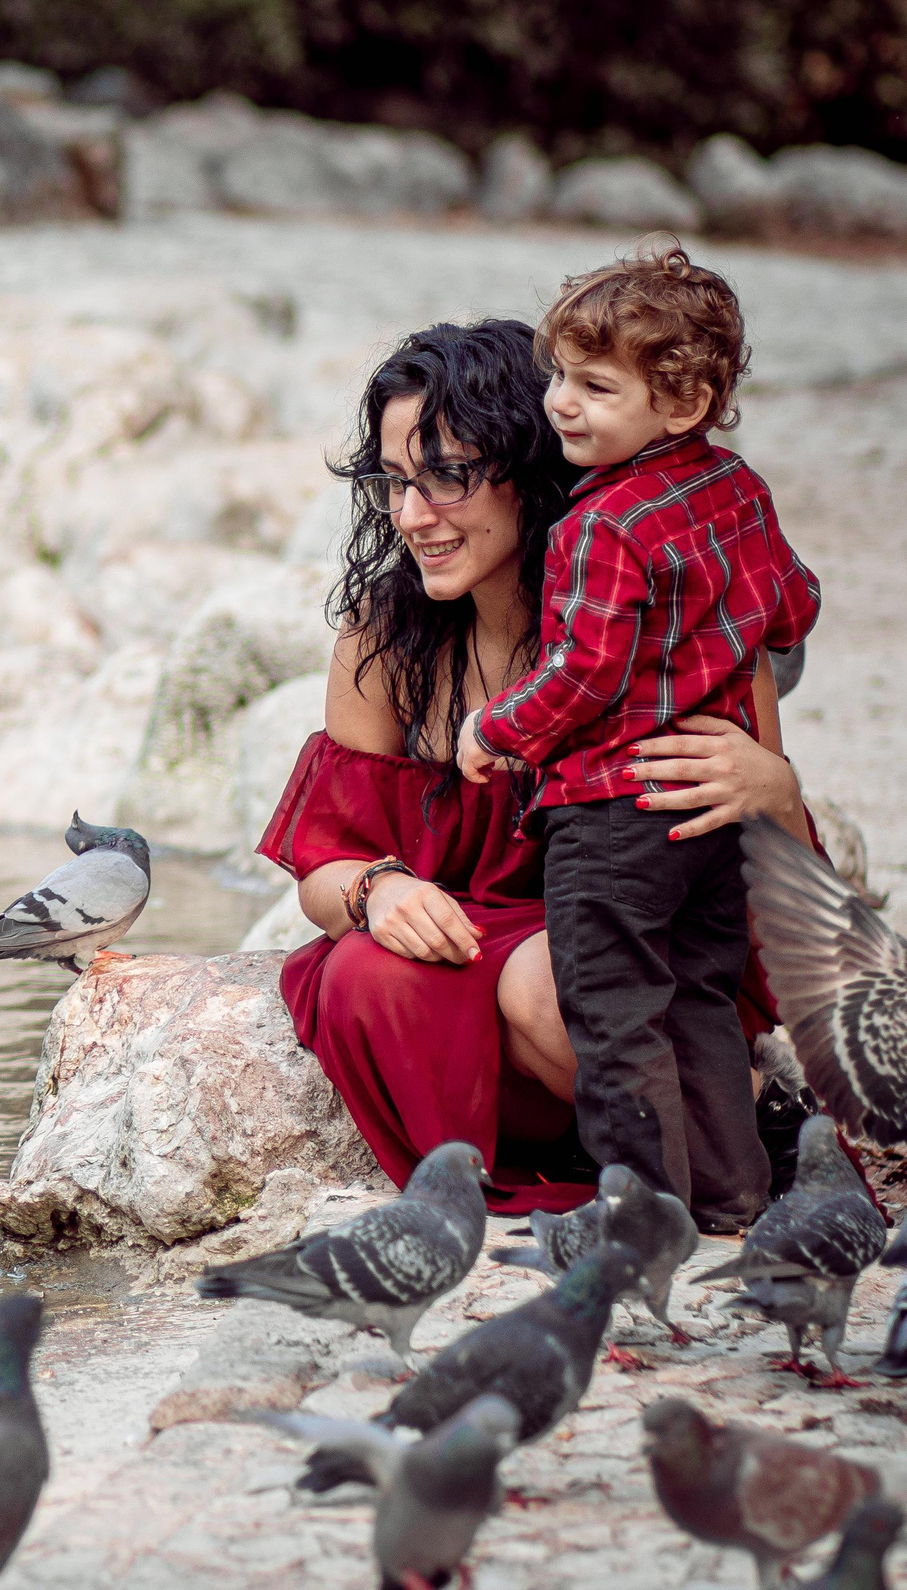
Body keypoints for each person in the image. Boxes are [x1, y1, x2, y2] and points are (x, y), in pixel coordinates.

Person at [258, 319, 809, 1215]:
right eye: (396, 483)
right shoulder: (382, 640)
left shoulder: (669, 625)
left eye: (446, 477)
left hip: (648, 958)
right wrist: (380, 891)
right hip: (466, 970)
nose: (411, 517)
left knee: (552, 981)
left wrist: (775, 788)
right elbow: (324, 869)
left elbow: (772, 878)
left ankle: (740, 1126)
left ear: (530, 466)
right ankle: (640, 1159)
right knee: (365, 969)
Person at [457, 243, 820, 1232]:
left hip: (610, 815)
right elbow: (792, 608)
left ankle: (641, 1218)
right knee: (698, 998)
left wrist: (496, 727)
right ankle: (734, 1196)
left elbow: (583, 672)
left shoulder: (597, 527)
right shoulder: (739, 490)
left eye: (595, 386)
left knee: (612, 1017)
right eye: (560, 380)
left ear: (684, 399)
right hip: (705, 810)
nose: (561, 406)